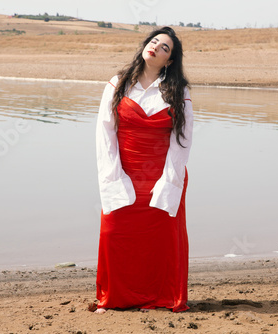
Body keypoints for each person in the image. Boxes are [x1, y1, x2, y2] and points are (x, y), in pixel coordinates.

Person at [94, 26, 193, 313]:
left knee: (160, 241)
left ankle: (159, 298)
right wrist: (112, 176)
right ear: (144, 46)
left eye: (165, 48)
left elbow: (183, 141)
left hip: (161, 175)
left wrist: (169, 180)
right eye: (153, 42)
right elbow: (105, 134)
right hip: (123, 171)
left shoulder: (178, 91)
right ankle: (114, 298)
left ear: (169, 61)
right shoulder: (118, 83)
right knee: (115, 234)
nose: (156, 47)